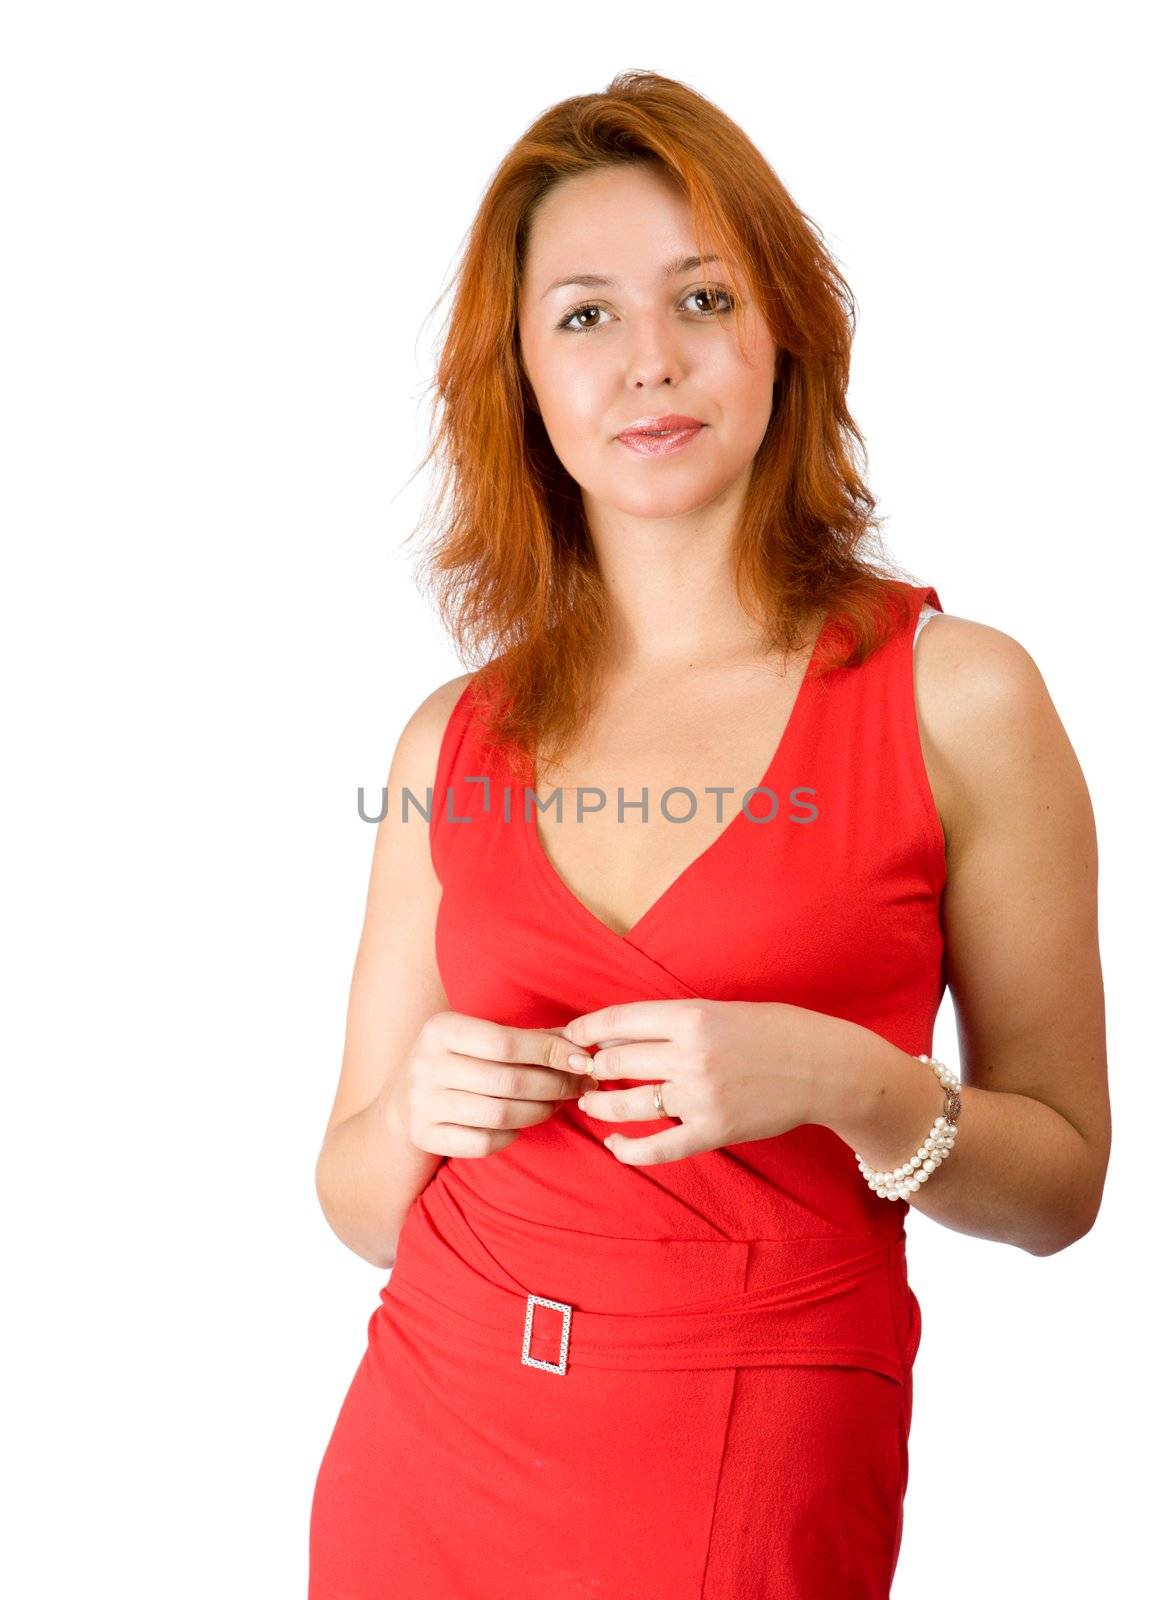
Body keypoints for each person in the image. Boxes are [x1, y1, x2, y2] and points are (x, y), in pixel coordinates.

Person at [308, 69, 1110, 1599]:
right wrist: (417, 1107)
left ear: (784, 334)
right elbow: (354, 1202)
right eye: (587, 317)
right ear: (522, 380)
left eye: (705, 296)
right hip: (430, 1436)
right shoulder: (449, 739)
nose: (651, 363)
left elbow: (1064, 1185)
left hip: (759, 1444)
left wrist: (858, 1089)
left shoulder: (959, 696)